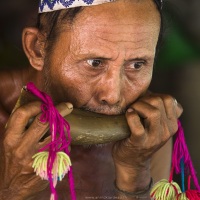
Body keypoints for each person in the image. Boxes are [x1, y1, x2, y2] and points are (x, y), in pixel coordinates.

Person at [0, 0, 183, 199]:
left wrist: (134, 174)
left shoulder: (148, 131)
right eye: (94, 63)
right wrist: (12, 190)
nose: (112, 96)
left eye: (137, 65)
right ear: (37, 48)